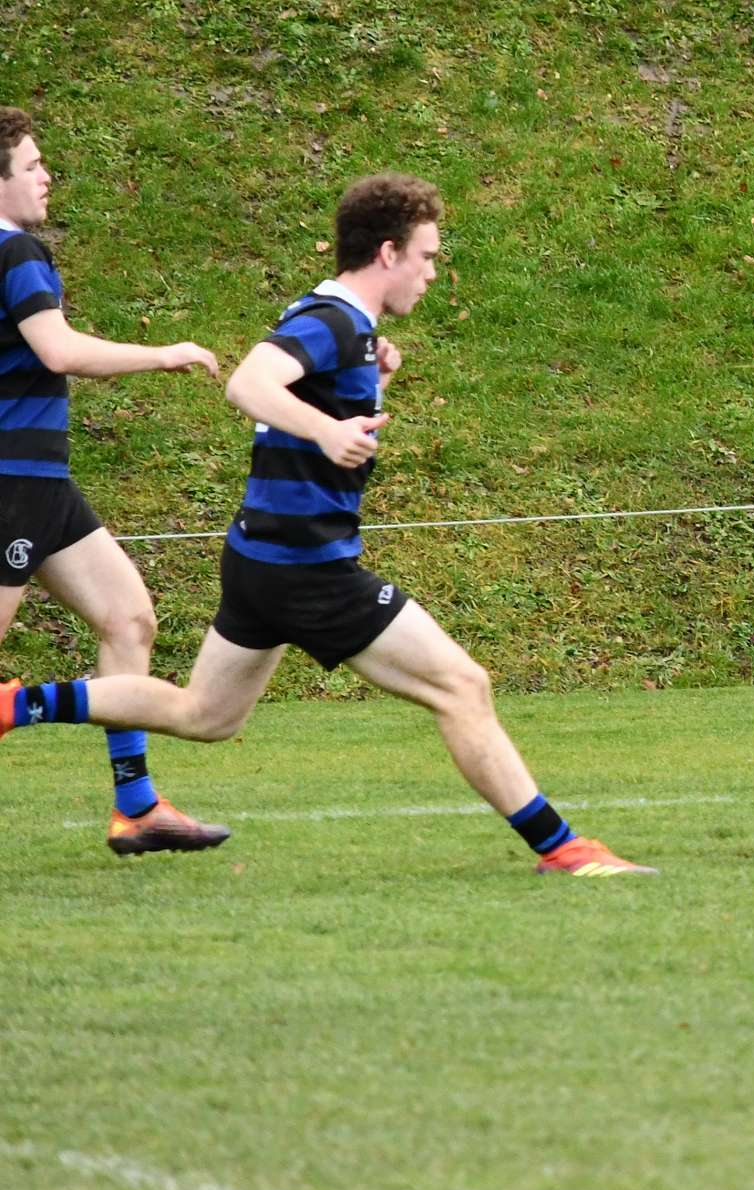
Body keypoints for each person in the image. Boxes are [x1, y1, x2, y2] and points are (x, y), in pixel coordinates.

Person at [0, 172, 654, 877]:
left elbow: (309, 400)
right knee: (462, 686)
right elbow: (248, 383)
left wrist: (365, 390)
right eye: (427, 256)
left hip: (261, 558)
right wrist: (328, 430)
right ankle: (563, 848)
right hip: (308, 566)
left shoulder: (342, 325)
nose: (433, 272)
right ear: (387, 253)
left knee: (205, 715)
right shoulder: (333, 320)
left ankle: (17, 705)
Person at [0, 105, 231, 855]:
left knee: (129, 620)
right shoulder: (16, 251)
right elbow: (58, 350)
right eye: (32, 165)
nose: (46, 177)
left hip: (42, 484)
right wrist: (163, 354)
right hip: (11, 483)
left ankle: (137, 806)